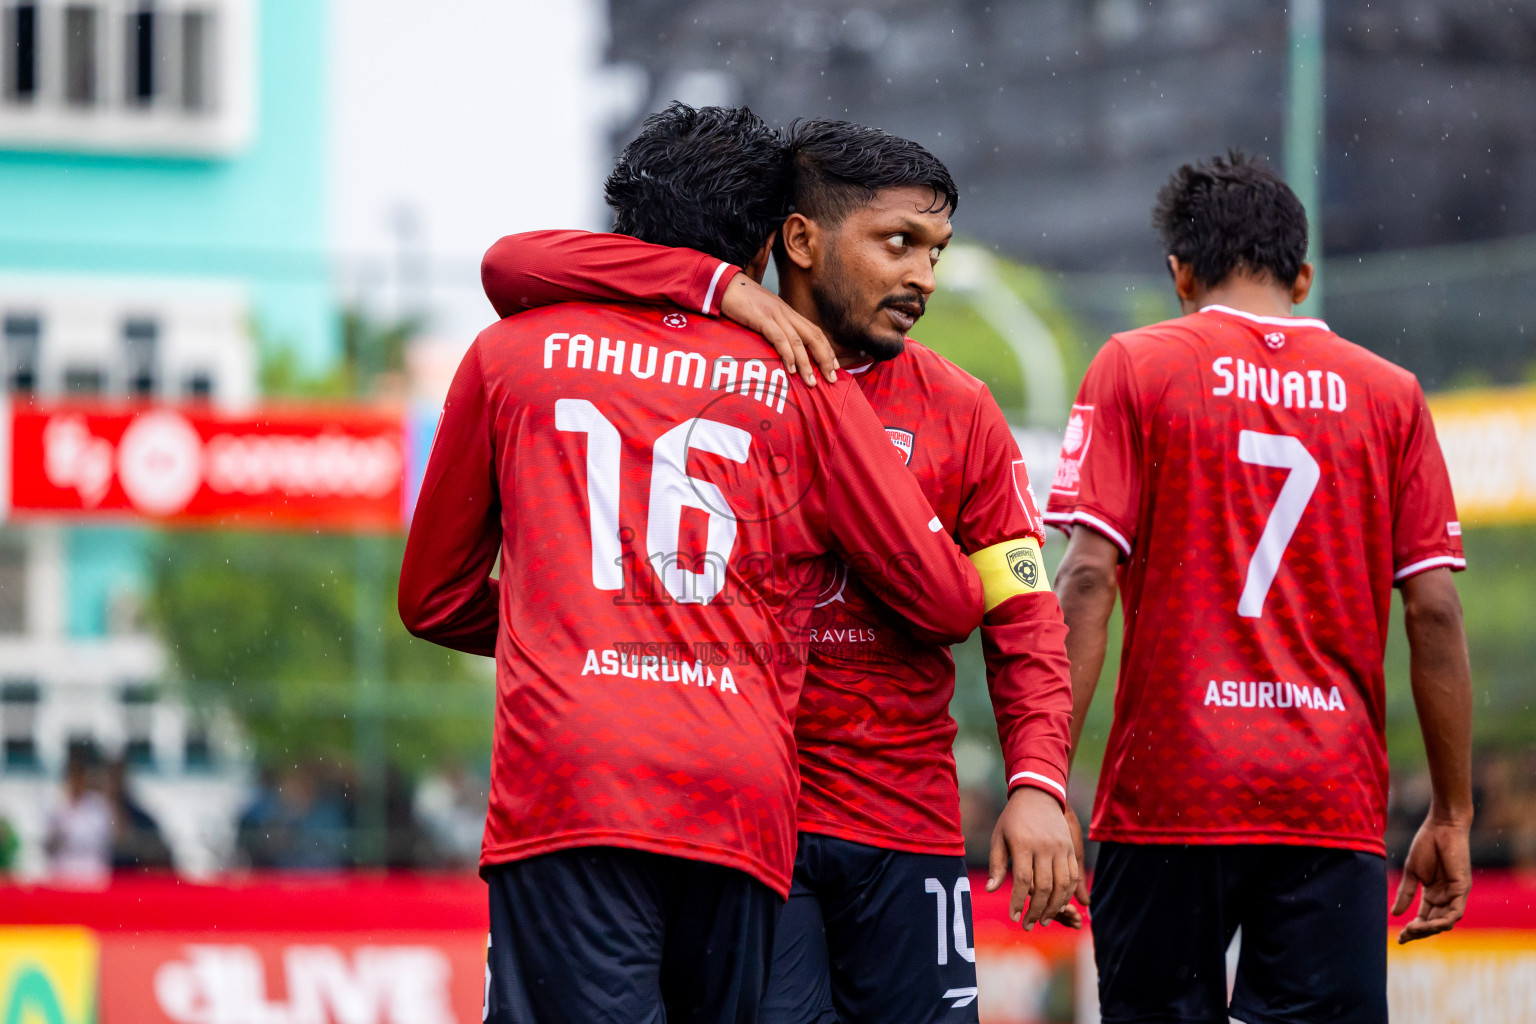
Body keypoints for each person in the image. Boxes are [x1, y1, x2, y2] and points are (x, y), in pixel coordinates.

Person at [480, 117, 1078, 1024]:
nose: (922, 275)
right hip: (761, 823)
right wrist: (716, 287)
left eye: (935, 250)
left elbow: (1019, 611)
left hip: (906, 823)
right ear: (795, 241)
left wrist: (1036, 780)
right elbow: (517, 265)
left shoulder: (962, 410)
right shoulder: (721, 371)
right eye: (897, 243)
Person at [1046, 152, 1473, 1024]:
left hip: (1171, 790)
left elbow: (1088, 576)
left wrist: (1039, 781)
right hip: (1327, 796)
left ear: (1179, 273)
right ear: (1303, 275)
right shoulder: (1391, 395)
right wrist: (1454, 813)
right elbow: (1433, 610)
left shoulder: (1137, 365)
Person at [44, 739, 113, 886]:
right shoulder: (56, 806)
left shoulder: (97, 806)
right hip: (63, 874)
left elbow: (103, 844)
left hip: (91, 874)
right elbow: (48, 846)